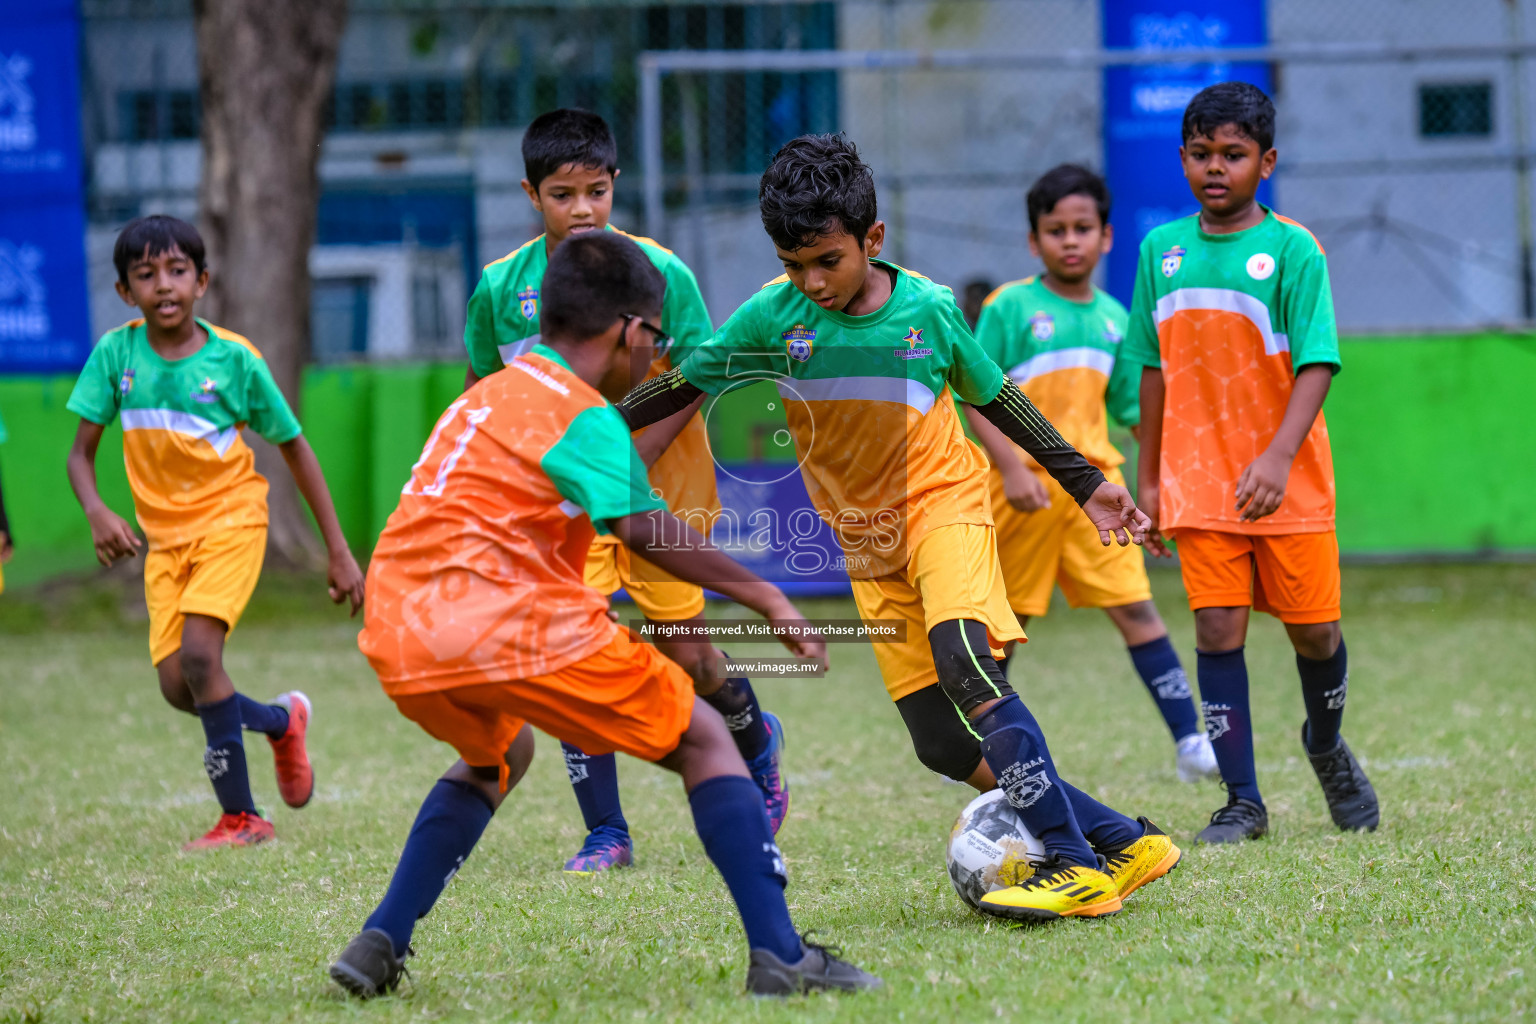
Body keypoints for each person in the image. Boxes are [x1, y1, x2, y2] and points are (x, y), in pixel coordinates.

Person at [617, 134, 1179, 923]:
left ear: (871, 240)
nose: (811, 282)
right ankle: (1123, 840)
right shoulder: (767, 319)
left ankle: (1074, 863)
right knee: (941, 746)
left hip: (946, 507)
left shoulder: (929, 308)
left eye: (827, 260)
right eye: (792, 264)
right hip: (868, 546)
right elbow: (676, 388)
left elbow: (996, 397)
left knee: (967, 661)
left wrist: (1086, 485)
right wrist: (583, 431)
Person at [331, 231, 879, 998]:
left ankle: (382, 940)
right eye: (653, 341)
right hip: (502, 618)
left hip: (398, 626)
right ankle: (782, 955)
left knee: (497, 757)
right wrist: (766, 595)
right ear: (629, 329)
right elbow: (644, 528)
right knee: (705, 739)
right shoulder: (582, 414)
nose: (653, 358)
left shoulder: (480, 399)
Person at [464, 108, 787, 873]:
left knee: (687, 655)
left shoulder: (659, 273)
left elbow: (701, 373)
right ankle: (606, 830)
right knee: (574, 643)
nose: (582, 210)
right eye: (563, 194)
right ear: (530, 194)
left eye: (597, 191)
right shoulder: (500, 288)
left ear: (616, 187)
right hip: (562, 505)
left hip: (659, 488)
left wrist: (630, 456)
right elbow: (485, 389)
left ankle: (753, 735)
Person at [1124, 82, 1379, 844]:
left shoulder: (1294, 250)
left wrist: (1276, 457)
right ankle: (1243, 801)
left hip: (1287, 482)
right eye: (1201, 153)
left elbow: (1319, 363)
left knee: (1315, 636)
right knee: (1217, 630)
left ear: (1265, 162)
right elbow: (1149, 366)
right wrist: (1149, 479)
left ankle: (1326, 744)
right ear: (1182, 159)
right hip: (1199, 483)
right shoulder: (1158, 251)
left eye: (1232, 154)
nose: (1215, 168)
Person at [64, 215, 365, 851]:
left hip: (231, 521)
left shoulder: (235, 361)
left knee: (203, 659)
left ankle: (243, 819)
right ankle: (283, 723)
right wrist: (97, 510)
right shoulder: (116, 355)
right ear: (125, 292)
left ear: (203, 282)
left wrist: (338, 553)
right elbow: (79, 455)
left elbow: (296, 450)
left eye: (177, 271)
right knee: (181, 689)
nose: (163, 285)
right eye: (145, 275)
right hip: (163, 541)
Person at [964, 164, 1218, 784]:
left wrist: (1161, 483)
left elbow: (1135, 410)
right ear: (1034, 242)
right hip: (1020, 490)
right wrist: (1010, 468)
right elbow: (972, 394)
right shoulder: (1009, 307)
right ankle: (977, 748)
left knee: (1137, 609)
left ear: (1107, 237)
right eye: (1056, 230)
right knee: (1006, 628)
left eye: (1083, 228)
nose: (1070, 240)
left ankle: (1191, 741)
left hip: (1096, 494)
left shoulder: (1116, 320)